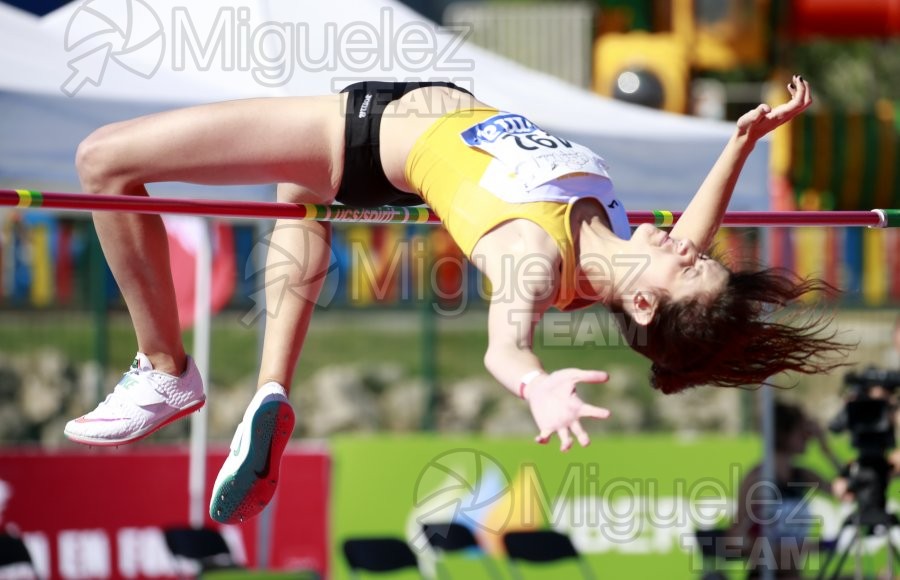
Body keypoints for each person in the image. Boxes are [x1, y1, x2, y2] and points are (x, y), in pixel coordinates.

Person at [63, 76, 847, 524]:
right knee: (298, 202)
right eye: (698, 256)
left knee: (104, 162)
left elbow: (504, 346)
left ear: (642, 304)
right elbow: (694, 237)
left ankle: (166, 368)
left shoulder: (533, 261)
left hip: (365, 134)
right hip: (393, 134)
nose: (688, 246)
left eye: (688, 267)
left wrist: (536, 383)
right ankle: (270, 389)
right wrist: (741, 142)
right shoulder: (615, 236)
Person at [728, 402, 843, 579]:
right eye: (801, 431)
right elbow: (735, 542)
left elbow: (850, 491)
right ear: (783, 434)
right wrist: (788, 550)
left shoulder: (802, 474)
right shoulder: (758, 479)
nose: (808, 437)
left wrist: (826, 449)